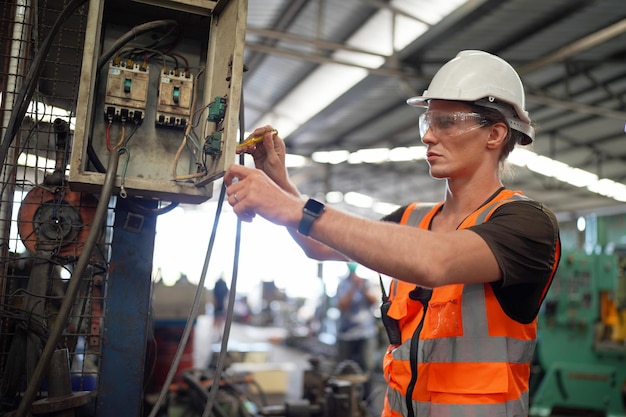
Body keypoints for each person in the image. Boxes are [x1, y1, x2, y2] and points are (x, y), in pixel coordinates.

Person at [224, 50, 561, 417]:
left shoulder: (527, 224)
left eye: (446, 122)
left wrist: (292, 207)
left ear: (495, 133)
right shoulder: (412, 219)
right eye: (427, 122)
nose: (429, 136)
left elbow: (435, 261)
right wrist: (280, 180)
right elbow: (318, 244)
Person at [335, 262, 378, 396]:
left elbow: (374, 301)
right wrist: (353, 287)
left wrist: (363, 287)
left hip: (366, 333)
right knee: (344, 368)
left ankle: (366, 400)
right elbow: (342, 305)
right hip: (346, 334)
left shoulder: (366, 283)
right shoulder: (342, 285)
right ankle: (345, 398)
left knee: (367, 367)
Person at [211, 276, 229, 342]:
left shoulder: (220, 284)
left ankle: (218, 334)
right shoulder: (220, 284)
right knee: (217, 320)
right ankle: (216, 334)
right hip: (219, 305)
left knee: (219, 320)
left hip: (220, 305)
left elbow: (226, 294)